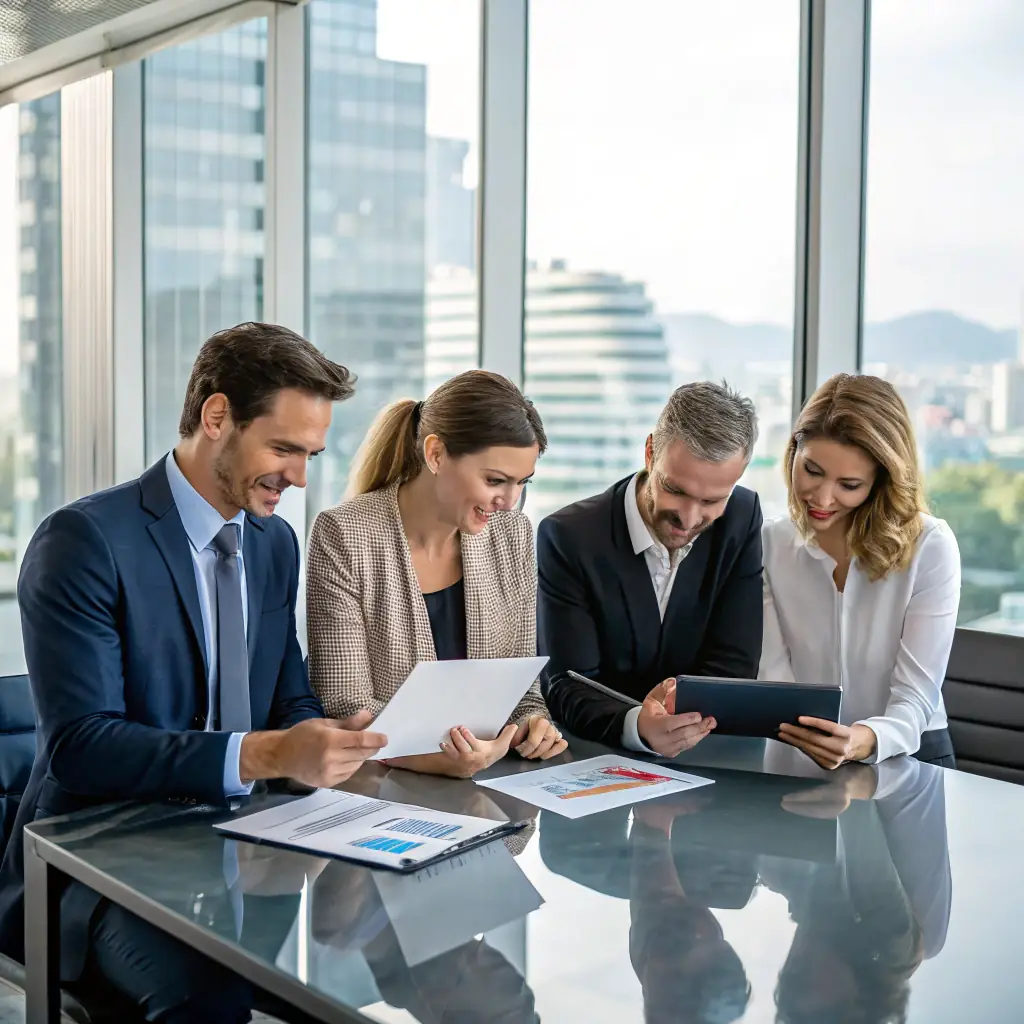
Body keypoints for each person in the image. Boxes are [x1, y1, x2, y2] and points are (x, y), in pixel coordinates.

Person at [0, 322, 387, 1023]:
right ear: (217, 418)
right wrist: (268, 752)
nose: (300, 476)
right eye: (284, 448)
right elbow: (82, 746)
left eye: (311, 454)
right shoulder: (83, 542)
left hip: (243, 847)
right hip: (98, 860)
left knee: (345, 978)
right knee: (212, 1001)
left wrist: (326, 741)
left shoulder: (274, 544)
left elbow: (287, 693)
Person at [306, 370, 566, 778]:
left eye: (522, 483)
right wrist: (433, 755)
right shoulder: (344, 534)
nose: (509, 501)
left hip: (485, 780)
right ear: (436, 455)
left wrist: (533, 723)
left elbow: (520, 688)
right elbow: (344, 703)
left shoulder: (513, 534)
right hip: (377, 788)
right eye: (495, 480)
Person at [537, 381, 764, 755]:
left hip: (704, 755)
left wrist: (678, 714)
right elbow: (567, 683)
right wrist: (637, 723)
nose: (689, 519)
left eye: (711, 500)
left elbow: (733, 667)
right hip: (593, 754)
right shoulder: (569, 536)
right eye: (675, 489)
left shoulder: (741, 518)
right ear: (649, 452)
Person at [760, 373, 961, 769]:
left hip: (908, 754)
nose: (822, 498)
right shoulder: (770, 543)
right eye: (812, 471)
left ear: (880, 481)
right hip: (800, 754)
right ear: (793, 453)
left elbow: (916, 696)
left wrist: (862, 740)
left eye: (848, 484)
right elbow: (774, 679)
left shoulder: (930, 546)